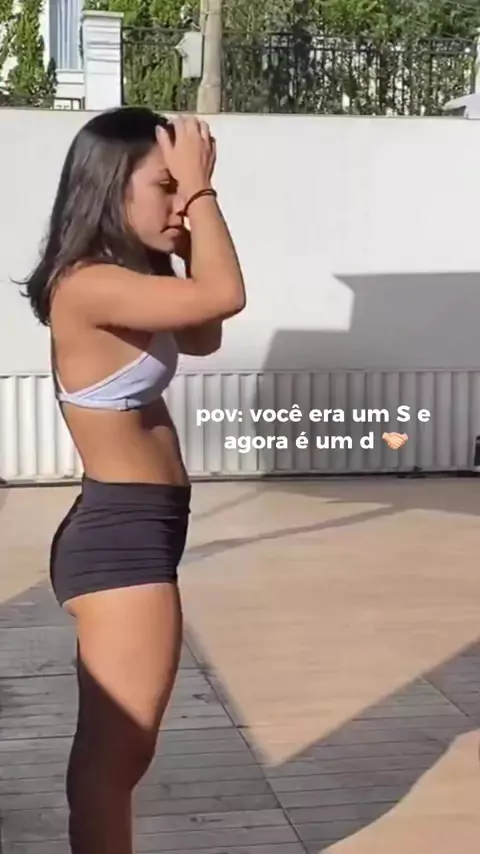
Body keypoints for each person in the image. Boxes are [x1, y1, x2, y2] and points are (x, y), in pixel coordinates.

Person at [22, 106, 246, 854]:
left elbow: (204, 332)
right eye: (164, 186)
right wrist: (204, 192)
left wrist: (180, 235)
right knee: (113, 756)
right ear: (110, 189)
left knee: (122, 752)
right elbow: (226, 296)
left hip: (136, 530)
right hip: (121, 542)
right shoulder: (86, 284)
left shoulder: (129, 278)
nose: (179, 202)